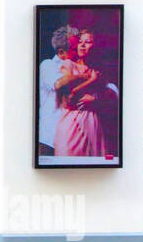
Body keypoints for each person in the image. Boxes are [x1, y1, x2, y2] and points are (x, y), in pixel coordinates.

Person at [54, 28, 106, 158]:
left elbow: (109, 94)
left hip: (91, 122)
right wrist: (90, 79)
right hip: (72, 122)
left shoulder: (98, 70)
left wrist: (95, 98)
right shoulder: (69, 64)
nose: (82, 45)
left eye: (87, 42)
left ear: (94, 46)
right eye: (80, 41)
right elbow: (69, 96)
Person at [37, 25, 75, 156]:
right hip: (49, 136)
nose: (78, 50)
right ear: (61, 52)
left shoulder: (79, 65)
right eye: (74, 48)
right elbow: (58, 83)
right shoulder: (48, 65)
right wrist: (84, 76)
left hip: (70, 136)